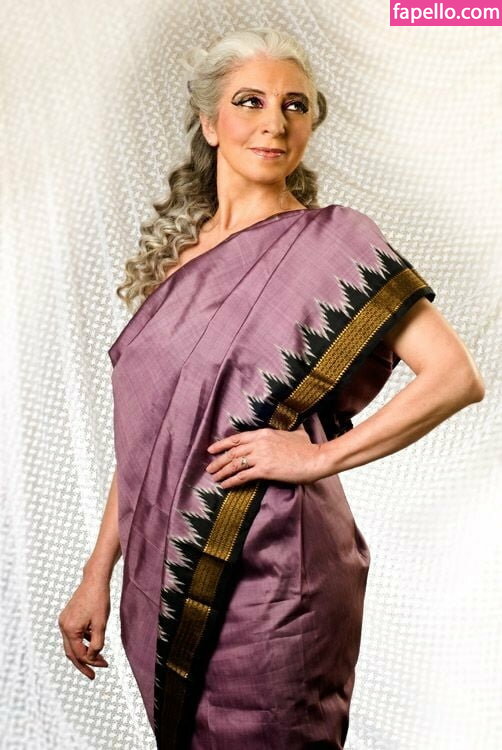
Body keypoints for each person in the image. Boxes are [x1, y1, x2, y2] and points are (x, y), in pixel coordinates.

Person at [58, 27, 485, 750]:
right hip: (167, 567)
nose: (275, 123)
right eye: (249, 101)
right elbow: (151, 443)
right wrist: (98, 569)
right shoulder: (176, 262)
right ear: (209, 123)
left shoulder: (334, 244)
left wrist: (317, 458)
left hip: (283, 571)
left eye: (295, 105)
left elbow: (455, 377)